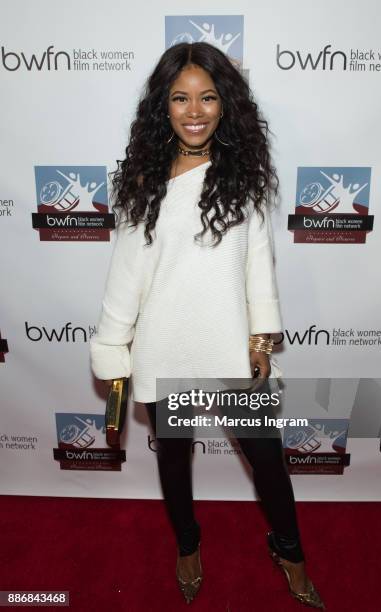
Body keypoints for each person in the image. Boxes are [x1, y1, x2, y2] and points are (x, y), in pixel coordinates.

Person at [90, 42, 325, 609]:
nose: (194, 111)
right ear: (163, 106)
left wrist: (261, 337)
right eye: (180, 98)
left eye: (207, 97)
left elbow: (256, 262)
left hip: (228, 343)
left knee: (267, 458)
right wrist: (112, 345)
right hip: (163, 345)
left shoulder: (242, 175)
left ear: (225, 104)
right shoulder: (144, 181)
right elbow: (127, 275)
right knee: (174, 455)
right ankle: (188, 545)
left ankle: (290, 551)